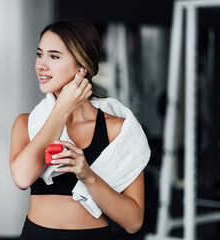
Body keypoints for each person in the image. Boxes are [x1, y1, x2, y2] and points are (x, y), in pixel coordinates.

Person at [9, 19, 150, 240]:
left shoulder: (119, 130)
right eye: (39, 54)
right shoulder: (25, 124)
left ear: (82, 66)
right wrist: (62, 109)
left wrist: (87, 175)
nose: (41, 65)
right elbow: (22, 178)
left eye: (54, 56)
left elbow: (133, 222)